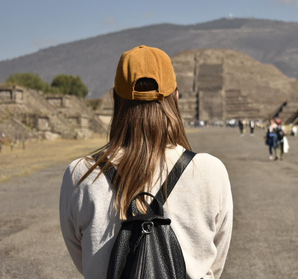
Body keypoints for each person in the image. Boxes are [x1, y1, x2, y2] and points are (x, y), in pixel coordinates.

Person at [59, 45, 233, 279]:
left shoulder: (81, 174)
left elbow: (84, 260)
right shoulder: (210, 171)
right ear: (176, 97)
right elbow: (214, 264)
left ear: (114, 98)